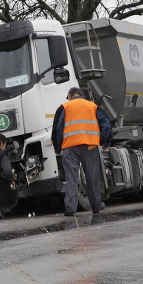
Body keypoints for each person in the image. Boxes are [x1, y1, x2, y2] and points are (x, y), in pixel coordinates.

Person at [52, 87, 112, 215]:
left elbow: (57, 129)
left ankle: (70, 209)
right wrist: (106, 142)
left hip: (70, 148)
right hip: (89, 146)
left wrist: (57, 148)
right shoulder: (92, 106)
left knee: (71, 179)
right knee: (92, 178)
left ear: (70, 95)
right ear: (81, 95)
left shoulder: (64, 107)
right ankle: (96, 206)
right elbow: (106, 123)